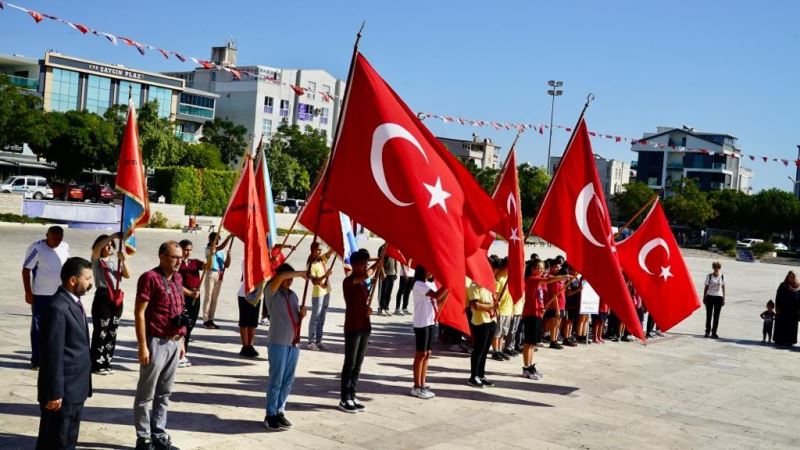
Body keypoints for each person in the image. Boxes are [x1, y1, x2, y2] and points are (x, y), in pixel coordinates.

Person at [133, 241, 187, 450]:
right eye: (175, 257)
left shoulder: (178, 279)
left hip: (174, 342)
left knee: (164, 392)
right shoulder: (150, 278)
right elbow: (139, 313)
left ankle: (159, 433)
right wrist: (142, 345)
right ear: (162, 256)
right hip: (155, 341)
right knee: (146, 393)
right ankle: (144, 436)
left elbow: (180, 311)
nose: (179, 261)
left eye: (181, 257)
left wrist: (181, 340)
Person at [36, 257, 93, 450]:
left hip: (75, 389)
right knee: (55, 441)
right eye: (87, 278)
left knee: (68, 440)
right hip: (62, 393)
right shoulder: (57, 307)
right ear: (73, 280)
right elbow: (52, 355)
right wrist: (55, 393)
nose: (90, 283)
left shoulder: (73, 302)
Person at [263, 263, 308, 431]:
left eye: (291, 279)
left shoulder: (293, 295)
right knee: (276, 379)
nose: (289, 281)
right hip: (277, 342)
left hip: (293, 342)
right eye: (287, 277)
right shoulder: (271, 292)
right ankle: (271, 414)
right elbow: (280, 277)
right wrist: (300, 272)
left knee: (288, 380)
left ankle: (280, 410)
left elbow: (295, 317)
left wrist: (301, 314)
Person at [23, 225, 70, 370]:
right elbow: (26, 270)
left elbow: (67, 267)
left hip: (61, 294)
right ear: (47, 235)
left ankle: (55, 358)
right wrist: (28, 292)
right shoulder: (36, 248)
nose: (57, 241)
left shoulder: (65, 247)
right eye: (54, 238)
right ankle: (37, 360)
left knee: (59, 327)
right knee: (38, 328)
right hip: (41, 294)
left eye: (59, 238)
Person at [339, 249, 378, 413]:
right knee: (350, 362)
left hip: (364, 325)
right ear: (354, 265)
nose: (364, 266)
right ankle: (344, 398)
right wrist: (378, 262)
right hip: (353, 326)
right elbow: (366, 274)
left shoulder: (362, 283)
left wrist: (368, 310)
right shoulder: (349, 281)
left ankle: (352, 394)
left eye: (366, 264)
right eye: (362, 264)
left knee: (358, 364)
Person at [521, 259, 569, 380]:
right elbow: (548, 280)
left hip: (538, 313)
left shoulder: (539, 282)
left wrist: (543, 308)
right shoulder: (531, 279)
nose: (542, 270)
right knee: (528, 342)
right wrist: (562, 276)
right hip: (530, 314)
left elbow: (540, 296)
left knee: (532, 343)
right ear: (533, 269)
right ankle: (526, 367)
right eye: (539, 268)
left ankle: (531, 365)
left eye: (543, 268)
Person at [89, 233, 130, 375]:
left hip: (117, 297)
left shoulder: (115, 260)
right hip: (103, 295)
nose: (109, 246)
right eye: (107, 244)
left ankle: (107, 361)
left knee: (112, 331)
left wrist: (123, 261)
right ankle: (96, 363)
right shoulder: (97, 260)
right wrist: (113, 236)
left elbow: (127, 275)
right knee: (101, 330)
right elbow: (97, 248)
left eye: (111, 244)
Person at [410, 265, 448, 399]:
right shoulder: (418, 284)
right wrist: (448, 284)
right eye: (429, 269)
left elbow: (438, 300)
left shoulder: (430, 284)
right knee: (421, 354)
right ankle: (416, 386)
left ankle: (423, 383)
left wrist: (447, 291)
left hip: (431, 321)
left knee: (428, 354)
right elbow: (436, 295)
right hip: (421, 323)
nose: (431, 271)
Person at [467, 271, 497, 388]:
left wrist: (495, 308)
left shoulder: (490, 286)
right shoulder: (474, 286)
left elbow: (494, 301)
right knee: (478, 350)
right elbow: (476, 306)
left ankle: (481, 375)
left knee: (485, 350)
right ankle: (473, 376)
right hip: (480, 322)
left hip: (491, 320)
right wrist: (492, 306)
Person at [177, 240, 203, 368]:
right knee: (182, 325)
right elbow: (176, 283)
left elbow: (208, 266)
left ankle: (183, 352)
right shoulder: (177, 264)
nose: (187, 252)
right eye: (185, 249)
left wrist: (213, 254)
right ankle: (179, 354)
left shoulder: (195, 263)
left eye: (189, 250)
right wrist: (189, 293)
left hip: (195, 298)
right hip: (183, 298)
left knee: (190, 325)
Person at [307, 242, 334, 350]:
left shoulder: (321, 259)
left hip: (326, 291)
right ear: (312, 250)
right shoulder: (311, 264)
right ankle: (310, 341)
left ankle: (319, 340)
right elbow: (314, 281)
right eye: (318, 249)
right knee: (316, 317)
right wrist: (325, 275)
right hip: (318, 294)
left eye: (320, 250)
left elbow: (330, 252)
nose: (320, 251)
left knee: (322, 317)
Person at [203, 232, 232, 329]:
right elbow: (219, 247)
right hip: (211, 273)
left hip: (219, 274)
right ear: (210, 240)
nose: (217, 242)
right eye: (215, 240)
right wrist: (228, 238)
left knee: (214, 299)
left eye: (218, 240)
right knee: (208, 297)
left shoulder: (221, 252)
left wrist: (229, 255)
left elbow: (226, 265)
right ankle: (206, 319)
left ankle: (211, 318)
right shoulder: (209, 249)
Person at [543, 259, 570, 349]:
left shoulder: (561, 282)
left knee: (558, 324)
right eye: (556, 267)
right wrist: (557, 308)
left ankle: (555, 339)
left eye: (559, 267)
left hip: (562, 305)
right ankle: (552, 341)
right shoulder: (555, 281)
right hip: (555, 306)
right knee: (554, 324)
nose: (558, 268)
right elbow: (554, 296)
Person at [491, 257, 513, 361]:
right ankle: (495, 351)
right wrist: (496, 308)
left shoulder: (508, 278)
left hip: (508, 309)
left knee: (503, 332)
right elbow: (494, 295)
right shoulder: (498, 278)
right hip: (501, 309)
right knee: (497, 332)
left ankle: (500, 349)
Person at [773, 271, 799, 347]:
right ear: (788, 277)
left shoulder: (798, 286)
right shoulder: (783, 285)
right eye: (790, 276)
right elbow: (778, 297)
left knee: (792, 326)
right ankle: (780, 340)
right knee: (782, 324)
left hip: (794, 311)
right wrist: (777, 307)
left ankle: (790, 340)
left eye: (793, 276)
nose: (792, 278)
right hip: (783, 309)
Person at [703, 261, 726, 339]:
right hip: (709, 296)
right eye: (715, 267)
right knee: (708, 315)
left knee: (716, 316)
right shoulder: (709, 276)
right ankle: (707, 331)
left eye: (718, 267)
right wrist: (704, 297)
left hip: (718, 297)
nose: (717, 269)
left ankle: (714, 332)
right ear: (713, 268)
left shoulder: (722, 276)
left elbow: (723, 287)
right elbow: (706, 287)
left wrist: (723, 298)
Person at [563, 265, 583, 346]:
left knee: (571, 321)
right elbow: (568, 293)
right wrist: (578, 289)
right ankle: (566, 338)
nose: (576, 272)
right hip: (569, 304)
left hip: (576, 304)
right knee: (568, 322)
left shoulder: (577, 279)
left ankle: (569, 336)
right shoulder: (568, 280)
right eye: (574, 270)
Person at [378, 250, 398, 316]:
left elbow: (395, 260)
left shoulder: (393, 248)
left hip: (392, 273)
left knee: (389, 292)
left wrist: (396, 271)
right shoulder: (383, 248)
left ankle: (386, 308)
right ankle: (380, 309)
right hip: (385, 274)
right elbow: (380, 260)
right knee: (383, 292)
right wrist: (383, 272)